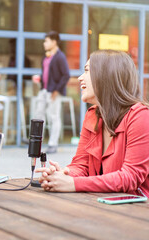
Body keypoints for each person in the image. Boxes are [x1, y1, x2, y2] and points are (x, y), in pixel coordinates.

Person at [36, 50, 149, 197]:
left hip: (136, 211)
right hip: (101, 205)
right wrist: (63, 174)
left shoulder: (141, 117)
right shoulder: (93, 115)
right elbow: (81, 165)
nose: (80, 78)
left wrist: (73, 184)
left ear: (106, 76)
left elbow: (130, 178)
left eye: (87, 71)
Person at [33, 31, 70, 154]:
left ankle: (53, 144)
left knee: (53, 117)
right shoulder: (46, 56)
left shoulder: (60, 57)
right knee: (38, 115)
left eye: (46, 41)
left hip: (54, 91)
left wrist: (56, 90)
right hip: (44, 90)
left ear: (54, 42)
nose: (44, 43)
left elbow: (66, 75)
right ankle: (37, 141)